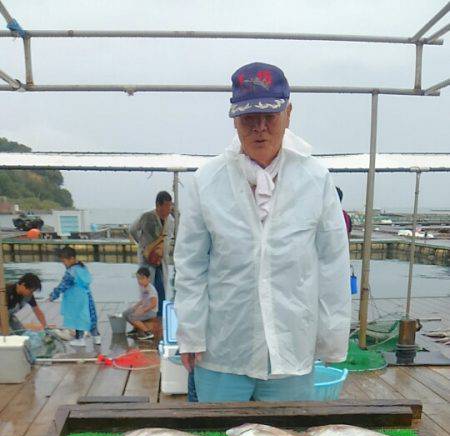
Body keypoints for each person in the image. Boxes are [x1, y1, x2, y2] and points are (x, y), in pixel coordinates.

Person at [174, 62, 351, 403]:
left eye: (269, 116)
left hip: (291, 351)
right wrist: (191, 335)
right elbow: (191, 265)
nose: (259, 128)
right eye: (247, 118)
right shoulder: (206, 180)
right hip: (223, 351)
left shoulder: (316, 178)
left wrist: (331, 340)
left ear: (289, 113)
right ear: (234, 120)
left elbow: (333, 264)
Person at [129, 191, 173, 329]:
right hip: (147, 261)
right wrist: (141, 246)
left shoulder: (171, 220)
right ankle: (146, 321)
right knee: (147, 289)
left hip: (162, 261)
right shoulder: (146, 216)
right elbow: (132, 230)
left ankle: (159, 319)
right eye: (165, 206)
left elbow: (172, 236)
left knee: (161, 291)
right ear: (157, 205)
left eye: (170, 206)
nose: (168, 210)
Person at [49, 246, 100, 346]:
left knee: (78, 319)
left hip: (76, 299)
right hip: (87, 297)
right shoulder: (82, 267)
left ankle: (80, 339)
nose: (63, 263)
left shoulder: (71, 272)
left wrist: (53, 295)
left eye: (64, 261)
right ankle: (97, 337)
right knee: (91, 317)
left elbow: (63, 286)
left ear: (72, 259)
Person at [123, 266, 158, 340]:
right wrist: (135, 307)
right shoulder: (142, 287)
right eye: (138, 278)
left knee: (133, 316)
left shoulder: (151, 289)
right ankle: (135, 330)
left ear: (148, 279)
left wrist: (143, 310)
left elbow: (153, 304)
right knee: (125, 313)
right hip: (145, 308)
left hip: (151, 311)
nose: (139, 281)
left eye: (142, 278)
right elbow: (143, 300)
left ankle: (147, 333)